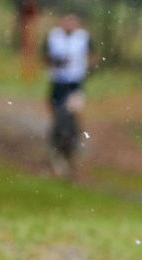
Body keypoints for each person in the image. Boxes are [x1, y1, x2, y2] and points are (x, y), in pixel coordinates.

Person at [42, 14, 90, 178]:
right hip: (58, 83)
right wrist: (55, 62)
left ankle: (73, 145)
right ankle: (59, 148)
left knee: (72, 115)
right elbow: (44, 57)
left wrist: (87, 69)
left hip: (74, 83)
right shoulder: (54, 37)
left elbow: (93, 56)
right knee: (57, 115)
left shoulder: (83, 38)